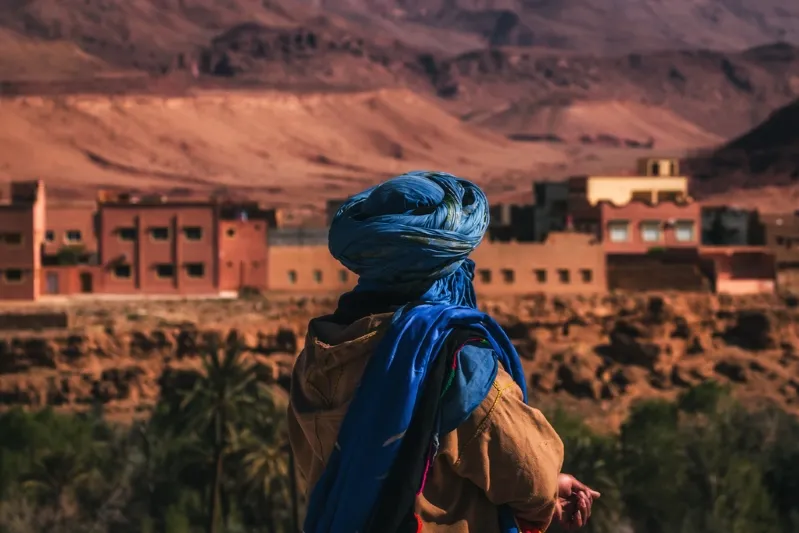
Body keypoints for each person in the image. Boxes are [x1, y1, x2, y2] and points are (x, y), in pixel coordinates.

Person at [287, 171, 600, 533]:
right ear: (446, 270)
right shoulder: (454, 363)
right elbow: (531, 478)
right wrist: (550, 496)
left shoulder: (318, 354)